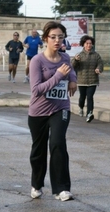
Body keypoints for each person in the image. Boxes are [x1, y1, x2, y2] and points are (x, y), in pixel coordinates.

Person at [28, 21, 77, 201]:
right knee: (38, 151)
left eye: (61, 37)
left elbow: (70, 70)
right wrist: (58, 76)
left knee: (58, 144)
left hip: (60, 108)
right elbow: (36, 90)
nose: (57, 40)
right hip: (38, 111)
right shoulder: (37, 61)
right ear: (45, 39)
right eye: (53, 37)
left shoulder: (65, 57)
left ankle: (61, 188)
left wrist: (73, 79)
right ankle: (37, 184)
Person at [71, 35, 103, 123]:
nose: (89, 45)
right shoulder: (79, 55)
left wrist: (98, 69)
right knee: (82, 97)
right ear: (83, 44)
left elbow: (100, 64)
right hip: (82, 81)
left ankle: (89, 113)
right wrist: (76, 60)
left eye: (90, 43)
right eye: (87, 43)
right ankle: (80, 107)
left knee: (90, 97)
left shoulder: (96, 55)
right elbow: (72, 66)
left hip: (93, 81)